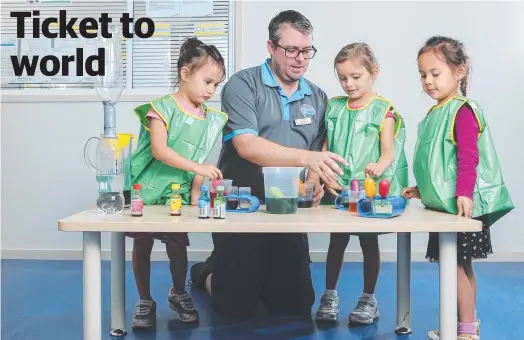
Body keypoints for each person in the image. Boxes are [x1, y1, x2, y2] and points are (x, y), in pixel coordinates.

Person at [190, 10, 348, 321]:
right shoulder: (242, 85)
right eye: (291, 50)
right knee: (234, 308)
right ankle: (206, 271)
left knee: (295, 305)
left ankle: (258, 279)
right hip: (242, 210)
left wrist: (314, 181)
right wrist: (306, 159)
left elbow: (317, 151)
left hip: (287, 212)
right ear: (271, 47)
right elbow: (246, 145)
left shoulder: (317, 97)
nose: (300, 59)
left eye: (306, 51)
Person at [402, 36, 514, 340]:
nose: (428, 81)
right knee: (459, 265)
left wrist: (464, 192)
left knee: (456, 267)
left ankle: (465, 330)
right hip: (446, 207)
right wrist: (420, 189)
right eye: (423, 75)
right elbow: (439, 165)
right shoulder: (436, 113)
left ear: (459, 71)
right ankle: (464, 325)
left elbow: (468, 157)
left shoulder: (462, 110)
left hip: (460, 207)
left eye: (435, 73)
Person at [126, 37, 229, 328]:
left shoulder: (209, 118)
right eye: (207, 81)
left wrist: (196, 193)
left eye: (216, 85)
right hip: (146, 192)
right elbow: (160, 150)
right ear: (185, 74)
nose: (211, 90)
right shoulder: (160, 109)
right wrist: (199, 168)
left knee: (177, 243)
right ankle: (145, 299)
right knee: (143, 243)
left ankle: (179, 292)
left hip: (177, 194)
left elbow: (201, 160)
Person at [314, 43, 408, 325]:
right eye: (342, 78)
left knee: (368, 243)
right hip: (340, 190)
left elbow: (388, 150)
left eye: (356, 76)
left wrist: (380, 165)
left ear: (373, 72)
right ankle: (329, 295)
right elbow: (325, 146)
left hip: (368, 192)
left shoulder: (383, 110)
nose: (349, 84)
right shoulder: (334, 107)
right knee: (337, 241)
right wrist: (323, 173)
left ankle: (368, 298)